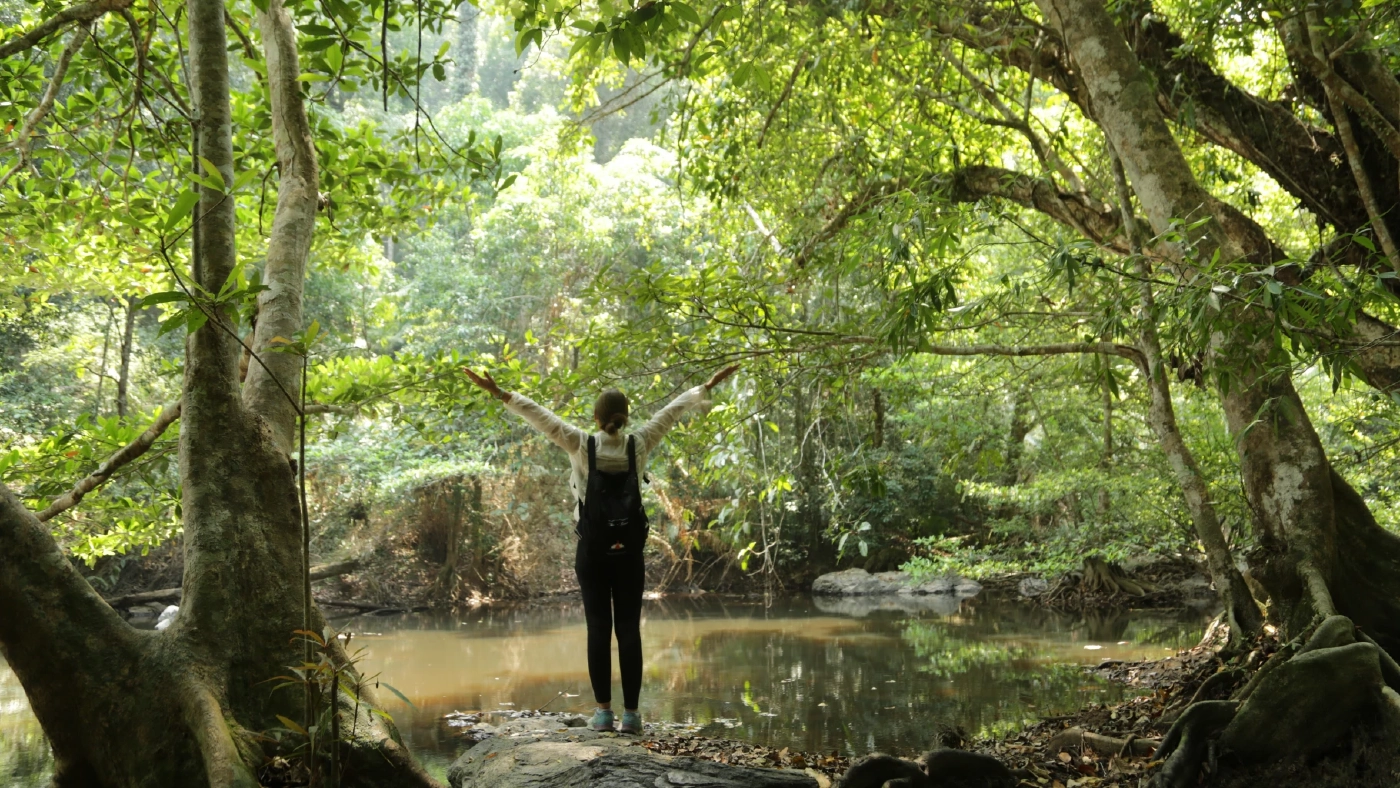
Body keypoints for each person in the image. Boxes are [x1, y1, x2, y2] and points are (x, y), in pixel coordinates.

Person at [462, 363, 740, 734]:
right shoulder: (639, 442)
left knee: (598, 628)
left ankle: (604, 713)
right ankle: (632, 716)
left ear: (596, 418)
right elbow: (671, 412)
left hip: (592, 552)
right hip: (630, 553)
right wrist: (705, 386)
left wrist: (500, 393)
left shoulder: (581, 443)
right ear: (625, 417)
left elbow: (540, 416)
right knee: (629, 630)